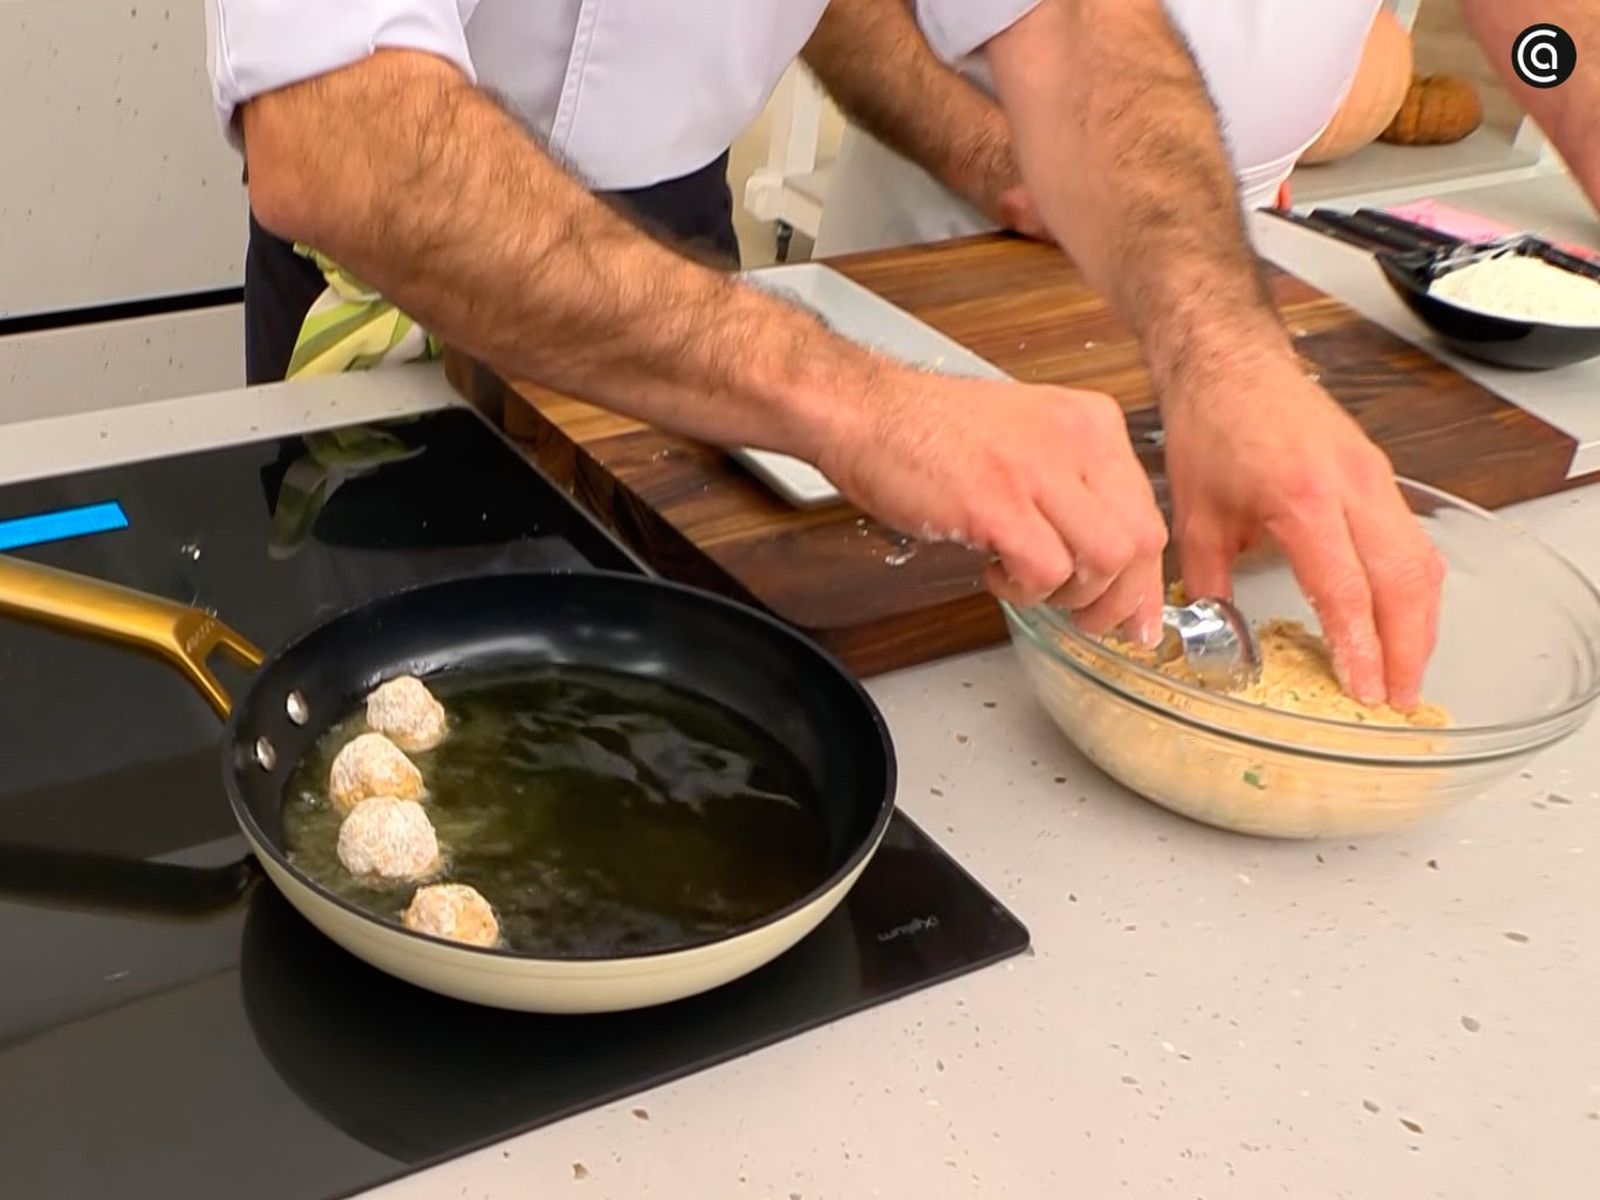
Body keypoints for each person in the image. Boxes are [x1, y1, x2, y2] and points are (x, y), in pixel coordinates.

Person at [204, 0, 1443, 709]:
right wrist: (864, 406)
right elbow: (336, 130)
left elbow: (1063, 24)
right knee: (380, 725)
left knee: (641, 708)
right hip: (382, 283)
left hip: (668, 247)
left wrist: (1225, 349)